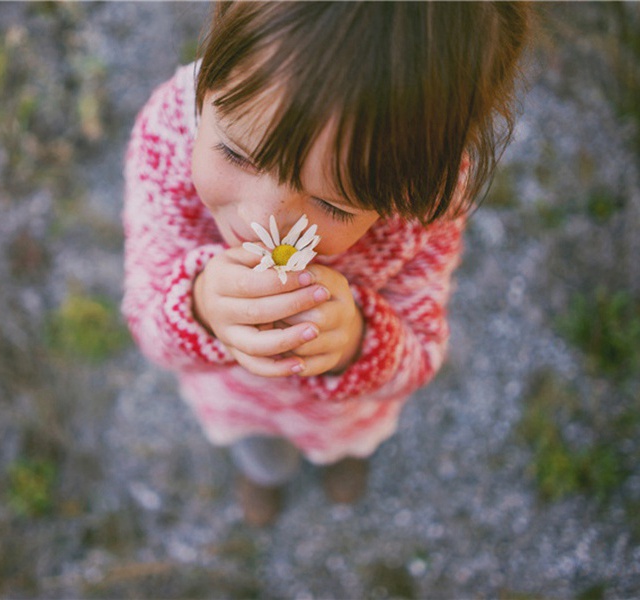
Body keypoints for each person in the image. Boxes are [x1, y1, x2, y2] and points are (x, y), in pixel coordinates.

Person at [122, 2, 530, 526]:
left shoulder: (426, 202)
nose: (263, 219)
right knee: (262, 453)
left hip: (343, 411)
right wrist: (200, 303)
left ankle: (342, 459)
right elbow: (147, 319)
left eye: (334, 205)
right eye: (236, 155)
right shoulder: (169, 137)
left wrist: (359, 338)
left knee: (345, 445)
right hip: (240, 401)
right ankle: (266, 476)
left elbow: (423, 351)